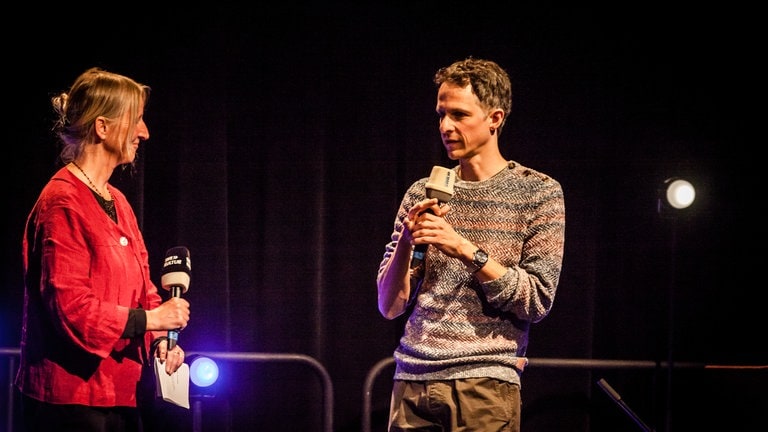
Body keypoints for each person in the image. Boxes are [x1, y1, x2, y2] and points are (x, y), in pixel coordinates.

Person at [377, 57, 566, 431]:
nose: (446, 126)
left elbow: (537, 299)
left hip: (484, 384)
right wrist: (406, 242)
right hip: (412, 381)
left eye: (459, 115)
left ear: (495, 118)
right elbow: (389, 305)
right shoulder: (422, 191)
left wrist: (464, 249)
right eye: (441, 114)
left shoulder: (538, 192)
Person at [15, 67, 191, 431]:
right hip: (70, 404)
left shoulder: (118, 202)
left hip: (117, 396)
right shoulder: (62, 203)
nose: (145, 132)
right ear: (103, 128)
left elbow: (145, 290)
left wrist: (159, 340)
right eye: (136, 120)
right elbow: (71, 309)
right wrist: (151, 320)